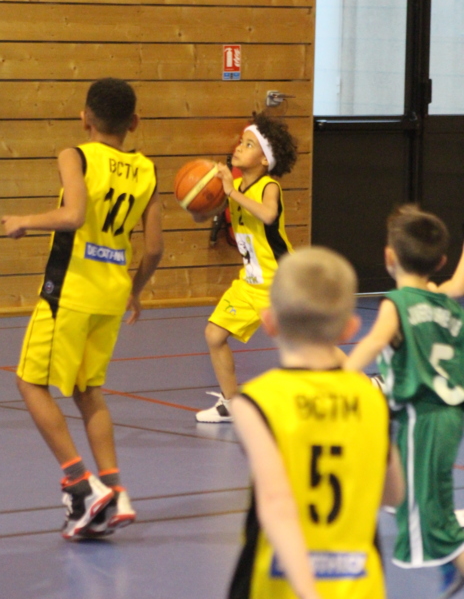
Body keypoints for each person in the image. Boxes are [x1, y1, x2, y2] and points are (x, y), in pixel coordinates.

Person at [2, 78, 163, 540]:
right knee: (88, 389)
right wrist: (135, 290)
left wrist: (24, 221)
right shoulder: (147, 170)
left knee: (29, 382)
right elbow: (154, 249)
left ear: (84, 118)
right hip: (111, 293)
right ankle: (116, 490)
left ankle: (80, 484)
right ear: (134, 123)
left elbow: (73, 215)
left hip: (70, 290)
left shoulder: (75, 155)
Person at [229, 246, 404, 599]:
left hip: (278, 585)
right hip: (359, 583)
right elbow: (393, 494)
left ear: (269, 322)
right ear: (350, 328)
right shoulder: (370, 396)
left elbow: (277, 503)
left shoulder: (256, 401)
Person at [345, 204, 464, 599]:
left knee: (425, 506)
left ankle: (455, 560)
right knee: (414, 496)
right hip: (448, 415)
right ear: (441, 262)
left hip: (423, 416)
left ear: (388, 257)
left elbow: (375, 341)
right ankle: (450, 562)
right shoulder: (445, 303)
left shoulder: (397, 303)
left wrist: (340, 375)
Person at [195, 112, 297, 423]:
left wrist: (231, 192)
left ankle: (364, 384)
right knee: (214, 334)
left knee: (307, 345)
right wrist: (198, 193)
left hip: (280, 283)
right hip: (250, 282)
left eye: (249, 144)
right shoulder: (235, 186)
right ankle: (231, 403)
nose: (239, 147)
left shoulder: (268, 186)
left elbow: (267, 215)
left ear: (265, 160)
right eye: (241, 141)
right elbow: (201, 215)